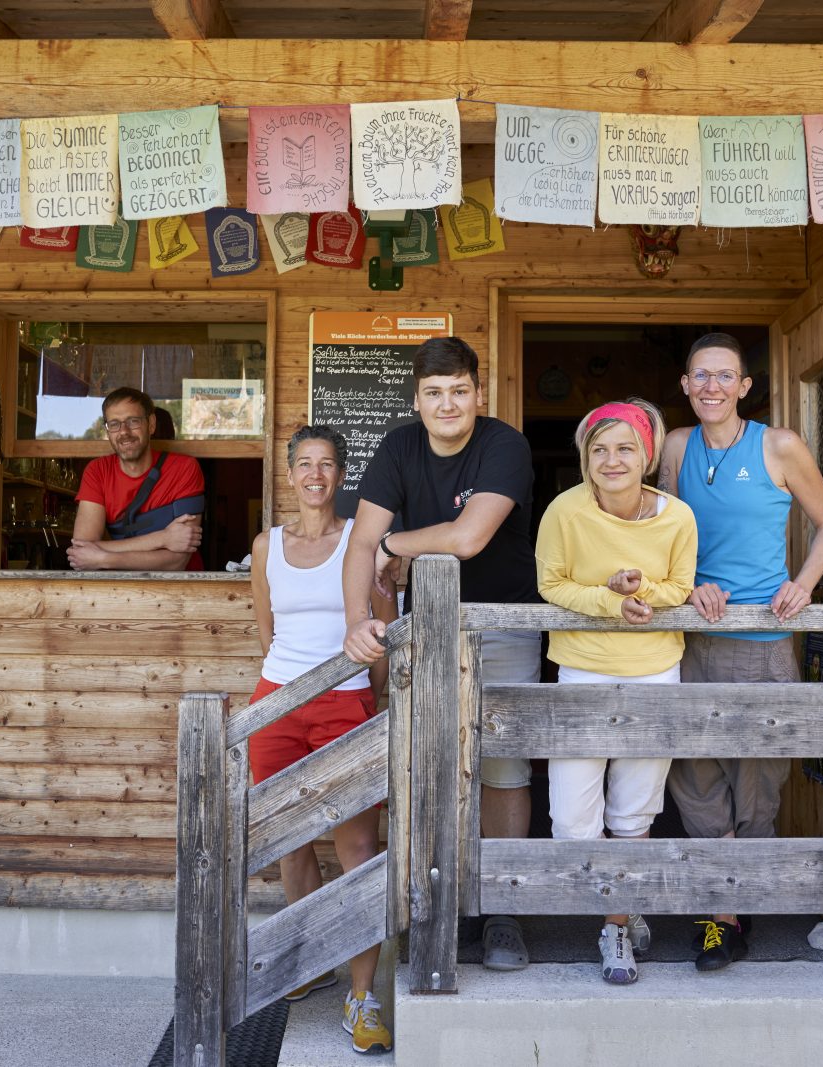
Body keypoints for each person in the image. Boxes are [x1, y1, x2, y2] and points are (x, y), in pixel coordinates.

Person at [341, 336, 540, 973]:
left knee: (502, 770)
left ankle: (505, 912)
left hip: (502, 625)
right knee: (426, 766)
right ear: (417, 400)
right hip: (424, 632)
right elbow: (357, 544)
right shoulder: (399, 444)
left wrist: (393, 546)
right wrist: (356, 623)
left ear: (478, 393)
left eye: (459, 390)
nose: (447, 403)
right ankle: (437, 907)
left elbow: (467, 537)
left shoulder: (503, 443)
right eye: (433, 393)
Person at [657, 332, 823, 971]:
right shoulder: (676, 447)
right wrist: (686, 583)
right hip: (689, 638)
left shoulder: (779, 445)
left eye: (724, 376)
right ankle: (721, 905)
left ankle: (730, 916)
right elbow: (658, 533)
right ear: (685, 385)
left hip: (763, 641)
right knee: (694, 771)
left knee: (759, 783)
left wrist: (803, 583)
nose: (711, 386)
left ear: (744, 387)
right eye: (699, 375)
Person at [536, 399, 696, 984]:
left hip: (655, 668)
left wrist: (642, 589)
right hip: (581, 667)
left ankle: (617, 925)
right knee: (572, 821)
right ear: (584, 457)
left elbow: (680, 586)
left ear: (647, 455)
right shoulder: (564, 510)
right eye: (598, 449)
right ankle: (622, 903)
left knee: (635, 809)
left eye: (625, 447)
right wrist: (609, 596)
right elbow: (550, 583)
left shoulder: (678, 516)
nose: (611, 459)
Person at [249, 426, 396, 1055]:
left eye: (327, 464)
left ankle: (362, 995)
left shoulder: (362, 545)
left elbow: (385, 633)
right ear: (290, 474)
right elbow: (267, 627)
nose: (316, 474)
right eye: (305, 464)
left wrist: (362, 690)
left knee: (359, 848)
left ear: (342, 475)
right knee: (289, 842)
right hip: (278, 703)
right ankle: (308, 961)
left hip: (347, 700)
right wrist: (287, 691)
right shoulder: (266, 546)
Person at [66, 386, 205, 572]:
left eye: (133, 421)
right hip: (120, 592)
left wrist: (103, 558)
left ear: (151, 424)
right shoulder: (97, 471)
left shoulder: (184, 468)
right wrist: (163, 538)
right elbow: (81, 550)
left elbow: (176, 561)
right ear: (107, 431)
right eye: (114, 424)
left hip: (182, 591)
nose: (124, 432)